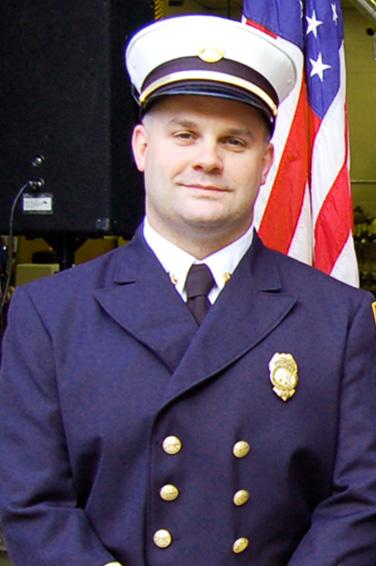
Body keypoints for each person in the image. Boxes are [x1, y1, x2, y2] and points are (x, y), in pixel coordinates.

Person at [0, 14, 376, 566]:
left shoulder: (339, 318)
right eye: (184, 134)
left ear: (266, 162)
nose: (208, 158)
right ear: (141, 148)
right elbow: (33, 504)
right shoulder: (50, 315)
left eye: (234, 140)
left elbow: (360, 499)